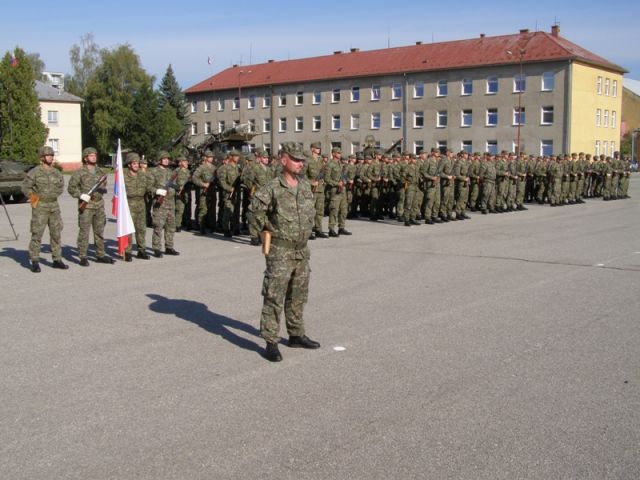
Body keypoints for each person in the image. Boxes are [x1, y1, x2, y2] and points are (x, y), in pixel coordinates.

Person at [249, 142, 320, 362]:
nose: (300, 164)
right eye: (296, 159)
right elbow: (254, 212)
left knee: (298, 296)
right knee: (274, 297)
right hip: (280, 251)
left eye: (302, 160)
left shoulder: (305, 186)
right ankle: (271, 341)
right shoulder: (272, 187)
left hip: (301, 250)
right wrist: (264, 233)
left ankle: (296, 334)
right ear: (283, 160)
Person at [22, 146, 68, 272]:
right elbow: (25, 187)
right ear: (42, 157)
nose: (51, 157)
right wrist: (34, 199)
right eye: (48, 155)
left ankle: (57, 259)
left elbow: (61, 186)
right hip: (40, 207)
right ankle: (35, 261)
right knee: (37, 234)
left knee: (56, 234)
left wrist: (53, 195)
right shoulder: (35, 172)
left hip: (54, 206)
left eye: (52, 155)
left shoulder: (56, 172)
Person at [67, 147, 114, 266]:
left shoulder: (100, 172)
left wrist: (101, 191)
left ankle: (100, 254)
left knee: (99, 231)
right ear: (85, 158)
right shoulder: (79, 172)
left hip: (99, 205)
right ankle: (83, 256)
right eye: (91, 155)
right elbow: (71, 188)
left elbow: (103, 185)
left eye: (95, 155)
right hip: (86, 206)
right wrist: (80, 195)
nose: (94, 157)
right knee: (84, 232)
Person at [123, 152, 152, 261]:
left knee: (141, 229)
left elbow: (149, 187)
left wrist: (156, 191)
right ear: (129, 164)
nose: (136, 165)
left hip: (141, 204)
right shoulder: (123, 176)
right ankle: (127, 252)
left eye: (137, 163)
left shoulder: (142, 174)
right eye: (134, 163)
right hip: (128, 204)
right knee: (128, 230)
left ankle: (141, 250)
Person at [150, 151, 179, 257]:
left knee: (171, 226)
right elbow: (149, 187)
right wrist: (156, 191)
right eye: (164, 158)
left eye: (168, 159)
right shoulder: (154, 172)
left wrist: (176, 189)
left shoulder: (171, 172)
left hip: (171, 203)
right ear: (159, 160)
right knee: (158, 226)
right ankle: (156, 248)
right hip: (160, 203)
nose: (167, 160)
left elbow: (175, 185)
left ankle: (169, 247)